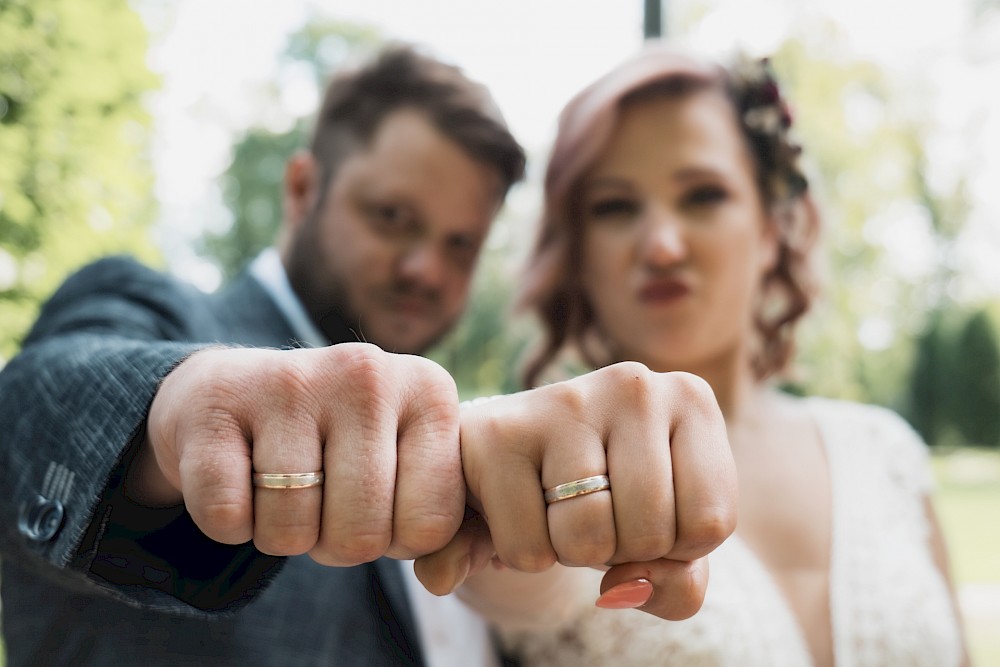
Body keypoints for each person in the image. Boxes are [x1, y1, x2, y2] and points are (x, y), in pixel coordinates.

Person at [0, 44, 738, 666]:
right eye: (392, 217)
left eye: (460, 244)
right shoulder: (158, 317)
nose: (426, 267)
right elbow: (39, 409)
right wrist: (188, 408)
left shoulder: (471, 444)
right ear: (301, 189)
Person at [456, 43, 970, 667]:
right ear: (577, 254)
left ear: (770, 227)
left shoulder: (885, 452)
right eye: (615, 207)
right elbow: (512, 584)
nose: (663, 245)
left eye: (702, 195)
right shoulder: (554, 467)